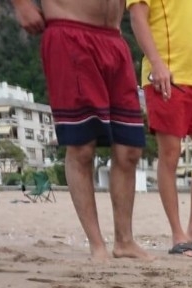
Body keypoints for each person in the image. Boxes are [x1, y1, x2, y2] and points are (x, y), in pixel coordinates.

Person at [11, 0, 153, 262]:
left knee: (129, 147)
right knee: (81, 146)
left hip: (114, 38)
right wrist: (21, 4)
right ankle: (97, 244)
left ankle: (125, 241)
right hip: (70, 31)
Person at [128, 0, 192, 258]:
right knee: (170, 154)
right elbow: (138, 18)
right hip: (166, 77)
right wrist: (156, 62)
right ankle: (177, 234)